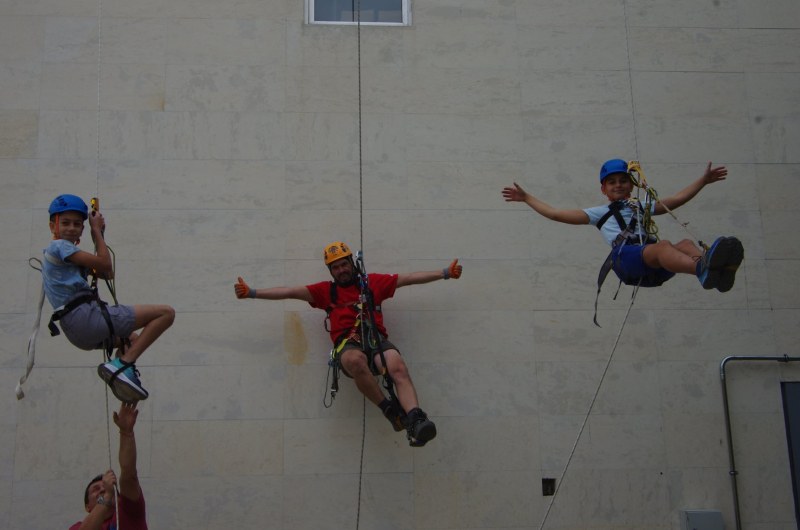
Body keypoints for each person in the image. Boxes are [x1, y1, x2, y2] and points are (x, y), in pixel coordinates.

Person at [234, 241, 463, 447]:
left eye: (344, 265)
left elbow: (408, 278)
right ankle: (390, 411)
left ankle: (416, 418)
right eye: (335, 267)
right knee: (355, 360)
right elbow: (290, 292)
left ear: (352, 264)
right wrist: (252, 293)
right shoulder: (325, 291)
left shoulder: (372, 283)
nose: (341, 270)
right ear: (330, 271)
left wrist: (445, 273)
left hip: (375, 339)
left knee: (396, 365)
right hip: (348, 344)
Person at [502, 159, 744, 292]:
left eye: (622, 181)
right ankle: (702, 268)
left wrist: (702, 181)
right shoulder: (601, 212)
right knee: (665, 245)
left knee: (685, 243)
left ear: (631, 186)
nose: (618, 185)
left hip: (651, 266)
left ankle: (711, 269)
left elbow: (676, 200)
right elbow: (556, 214)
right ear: (603, 189)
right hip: (626, 258)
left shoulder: (641, 206)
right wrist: (527, 198)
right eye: (612, 182)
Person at [44, 194, 175, 402]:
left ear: (81, 229)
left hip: (77, 331)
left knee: (131, 339)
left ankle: (122, 376)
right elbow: (105, 265)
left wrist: (99, 239)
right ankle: (122, 366)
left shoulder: (68, 258)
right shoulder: (59, 247)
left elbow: (107, 274)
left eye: (77, 224)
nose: (71, 228)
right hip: (85, 319)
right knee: (165, 313)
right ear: (53, 226)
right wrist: (97, 231)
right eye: (65, 223)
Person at [70, 402, 147, 530]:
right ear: (87, 507)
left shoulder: (130, 513)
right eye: (95, 489)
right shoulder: (78, 527)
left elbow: (129, 475)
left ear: (119, 500)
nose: (102, 489)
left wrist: (126, 432)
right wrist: (107, 496)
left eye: (106, 487)